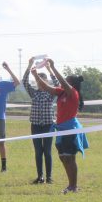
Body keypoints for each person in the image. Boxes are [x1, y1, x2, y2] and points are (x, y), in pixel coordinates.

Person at [31, 60, 87, 193]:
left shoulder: (73, 92)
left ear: (70, 84)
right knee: (63, 157)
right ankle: (70, 185)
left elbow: (62, 81)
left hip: (70, 128)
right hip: (61, 129)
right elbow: (45, 87)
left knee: (69, 157)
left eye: (66, 81)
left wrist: (53, 68)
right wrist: (36, 76)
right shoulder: (61, 93)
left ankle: (73, 186)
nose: (62, 83)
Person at [22, 58, 56, 185]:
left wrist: (49, 69)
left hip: (48, 125)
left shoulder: (51, 93)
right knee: (38, 151)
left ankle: (49, 177)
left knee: (47, 151)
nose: (40, 82)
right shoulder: (33, 93)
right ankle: (40, 176)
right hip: (35, 125)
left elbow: (58, 84)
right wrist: (29, 64)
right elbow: (24, 81)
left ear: (46, 81)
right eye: (38, 80)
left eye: (42, 80)